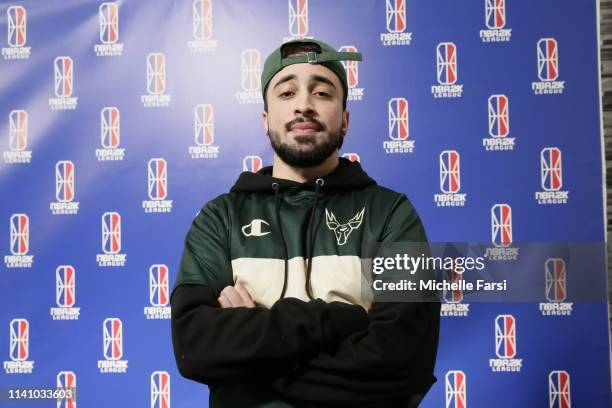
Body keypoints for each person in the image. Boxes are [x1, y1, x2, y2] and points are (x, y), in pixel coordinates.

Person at [171, 38, 440, 408]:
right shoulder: (221, 218)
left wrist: (250, 364)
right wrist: (346, 320)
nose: (303, 105)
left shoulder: (391, 213)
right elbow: (196, 348)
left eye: (322, 92)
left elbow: (406, 358)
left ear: (344, 120)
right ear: (266, 120)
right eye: (286, 93)